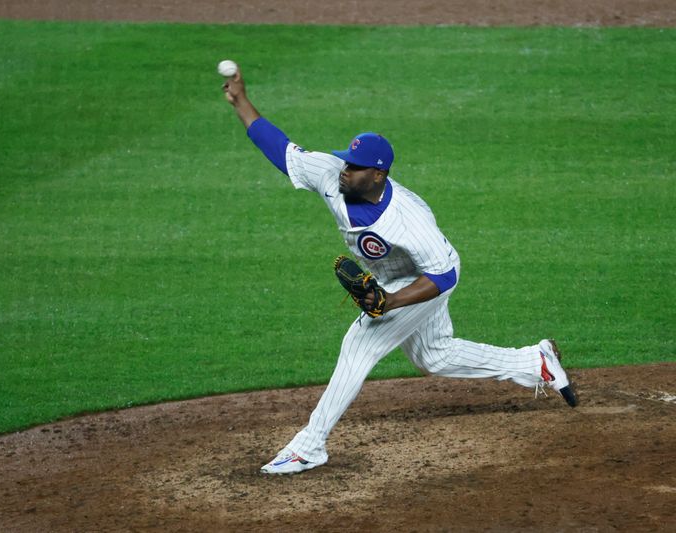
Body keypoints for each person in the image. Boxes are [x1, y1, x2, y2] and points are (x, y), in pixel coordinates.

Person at [221, 67, 578, 475]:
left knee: (359, 345)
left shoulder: (406, 221)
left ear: (378, 174)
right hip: (400, 276)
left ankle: (309, 445)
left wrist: (390, 301)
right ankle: (535, 363)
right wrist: (242, 102)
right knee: (434, 357)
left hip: (426, 277)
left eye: (354, 167)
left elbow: (444, 277)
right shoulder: (330, 175)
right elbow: (280, 150)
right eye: (345, 161)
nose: (344, 170)